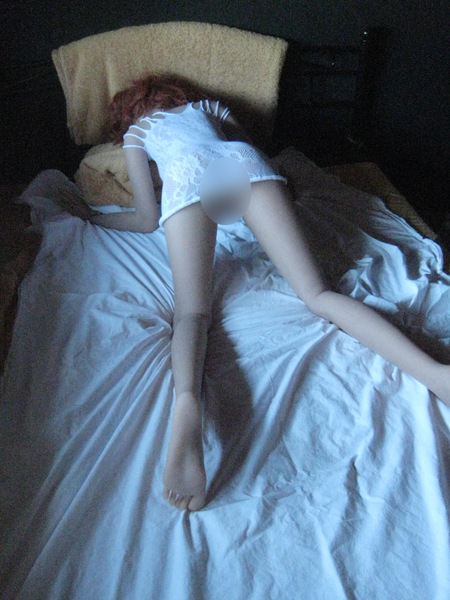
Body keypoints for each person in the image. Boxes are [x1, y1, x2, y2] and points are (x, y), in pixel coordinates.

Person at [89, 74, 450, 512]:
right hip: (242, 163)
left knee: (193, 315)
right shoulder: (208, 109)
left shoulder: (138, 132)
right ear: (175, 93)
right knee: (319, 295)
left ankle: (186, 405)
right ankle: (435, 374)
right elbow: (261, 158)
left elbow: (146, 218)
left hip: (185, 174)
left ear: (129, 113)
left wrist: (93, 217)